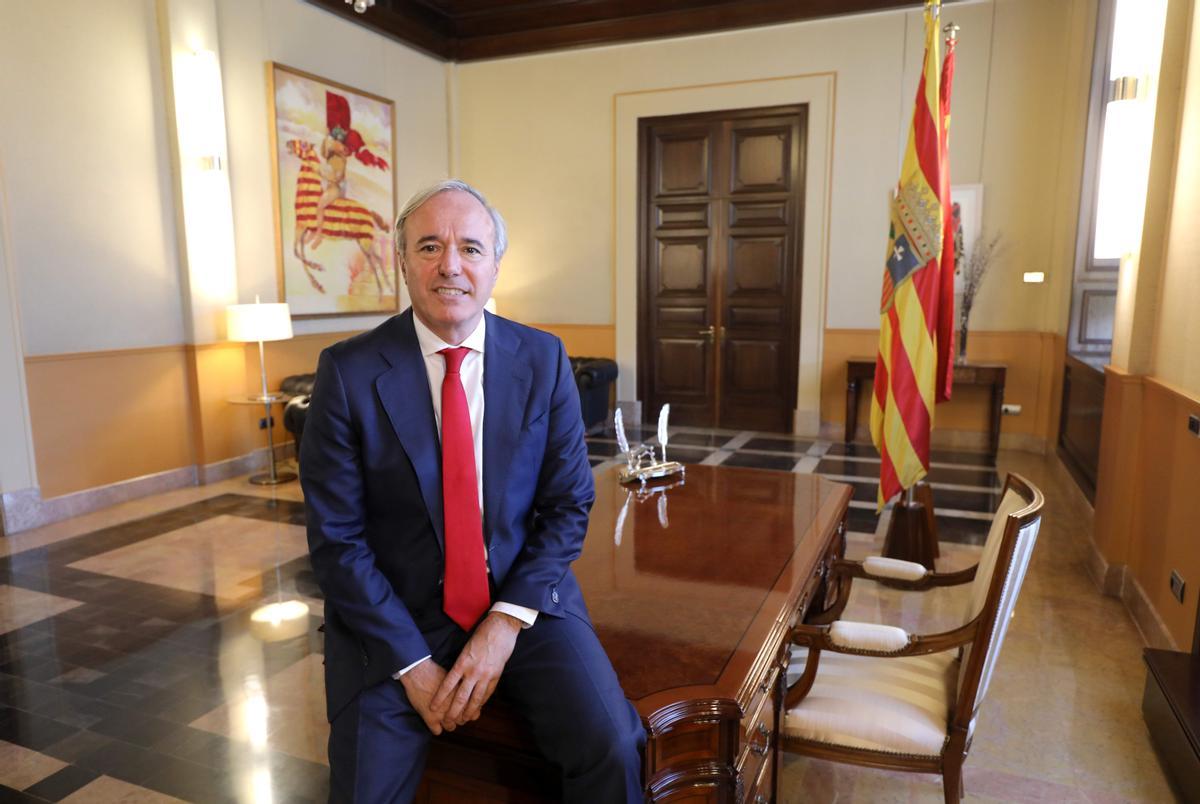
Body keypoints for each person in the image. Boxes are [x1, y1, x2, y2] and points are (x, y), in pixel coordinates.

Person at [300, 180, 646, 803]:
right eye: (429, 246)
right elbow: (336, 542)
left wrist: (503, 626)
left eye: (470, 248)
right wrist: (410, 664)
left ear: (495, 263)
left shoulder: (542, 359)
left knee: (613, 746)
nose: (450, 265)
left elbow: (567, 506)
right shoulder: (349, 373)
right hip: (392, 613)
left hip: (522, 602)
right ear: (402, 261)